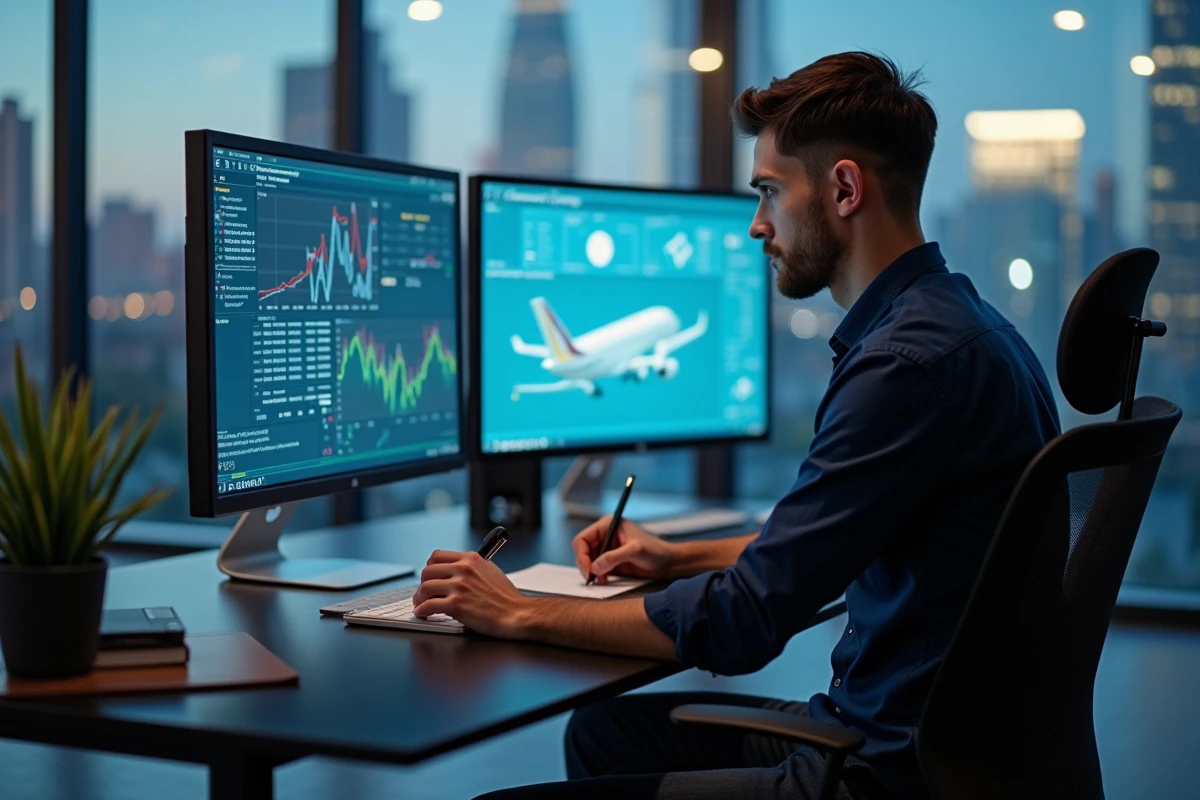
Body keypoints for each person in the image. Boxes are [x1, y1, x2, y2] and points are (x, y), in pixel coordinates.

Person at [413, 51, 1061, 799]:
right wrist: (679, 557)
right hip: (944, 739)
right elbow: (846, 536)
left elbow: (743, 622)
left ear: (844, 188)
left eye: (768, 192)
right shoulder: (969, 326)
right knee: (602, 732)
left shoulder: (903, 367)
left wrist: (520, 610)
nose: (757, 225)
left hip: (884, 770)